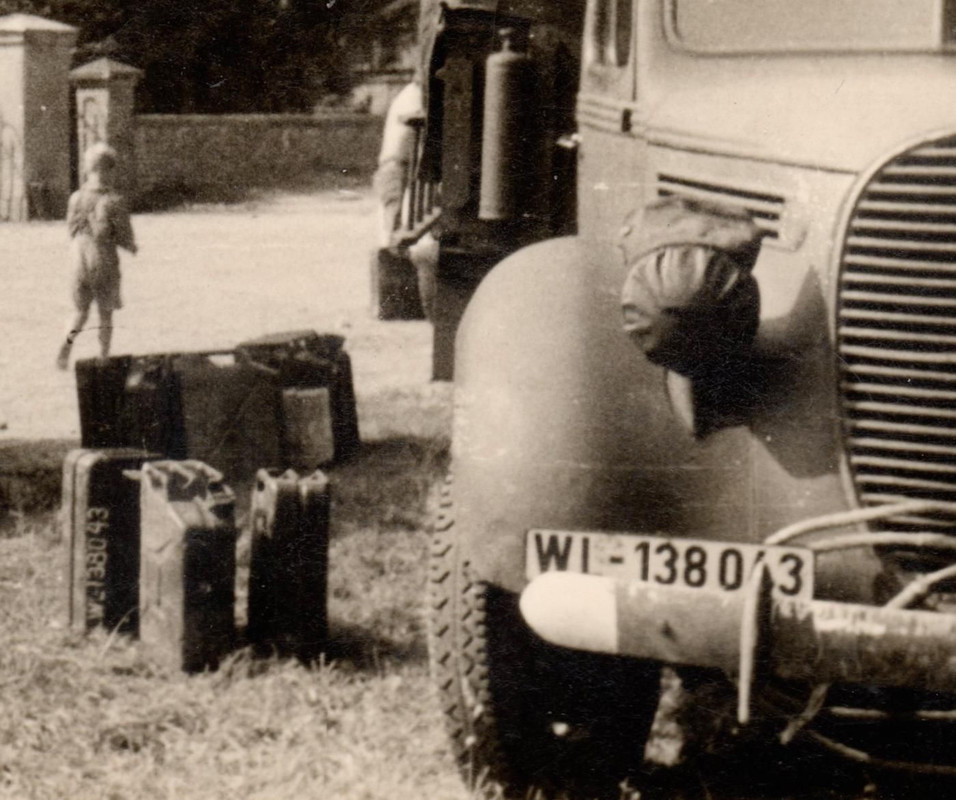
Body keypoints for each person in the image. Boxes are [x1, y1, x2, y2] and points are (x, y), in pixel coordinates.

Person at [56, 143, 137, 370]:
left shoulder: (75, 198)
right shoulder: (114, 201)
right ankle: (103, 356)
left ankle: (66, 347)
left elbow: (70, 229)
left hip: (78, 260)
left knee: (79, 312)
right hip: (103, 260)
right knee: (105, 315)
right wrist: (131, 246)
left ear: (88, 169)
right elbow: (124, 237)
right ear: (109, 170)